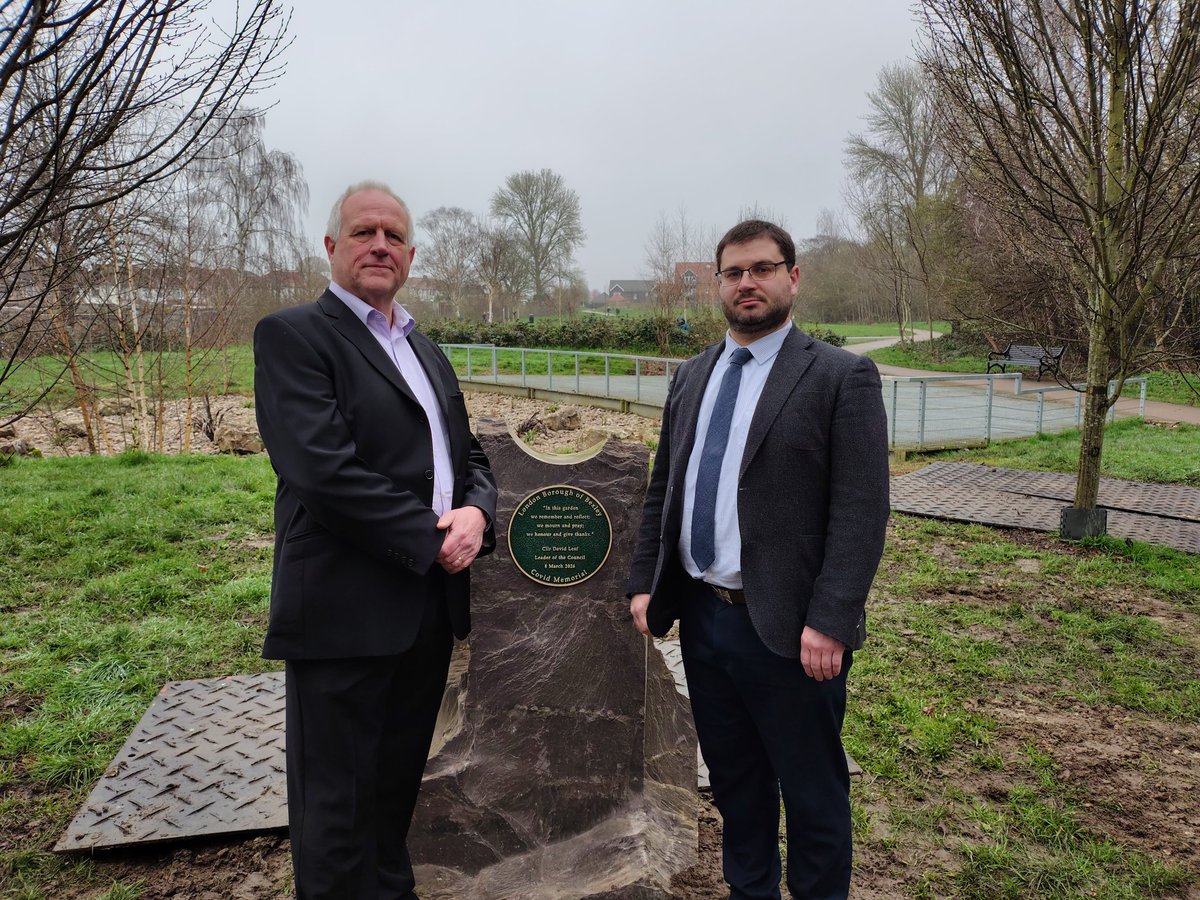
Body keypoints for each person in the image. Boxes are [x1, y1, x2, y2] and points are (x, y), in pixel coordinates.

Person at [627, 220, 889, 900]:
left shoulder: (840, 377)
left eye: (763, 269)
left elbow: (862, 510)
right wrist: (643, 583)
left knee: (812, 798)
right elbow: (666, 488)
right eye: (735, 271)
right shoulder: (692, 376)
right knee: (738, 790)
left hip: (792, 634)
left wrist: (831, 619)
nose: (748, 282)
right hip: (705, 626)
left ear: (792, 278)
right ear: (717, 283)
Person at [253, 181, 497, 899]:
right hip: (344, 615)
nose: (380, 245)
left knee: (392, 796)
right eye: (364, 232)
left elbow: (468, 456)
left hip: (425, 612)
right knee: (336, 810)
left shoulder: (421, 346)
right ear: (332, 247)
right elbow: (321, 471)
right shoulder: (294, 336)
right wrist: (431, 538)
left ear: (412, 255)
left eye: (393, 235)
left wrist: (477, 514)